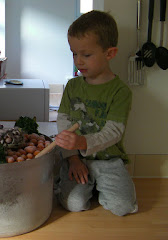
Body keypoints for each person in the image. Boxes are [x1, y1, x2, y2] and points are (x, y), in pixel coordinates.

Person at [53, 10, 138, 216]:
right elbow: (63, 123)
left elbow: (114, 132)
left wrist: (82, 142)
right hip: (78, 160)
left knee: (123, 207)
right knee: (73, 204)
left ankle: (98, 186)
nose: (78, 61)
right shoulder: (72, 87)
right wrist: (73, 158)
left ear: (109, 53)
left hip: (109, 160)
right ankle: (79, 184)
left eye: (86, 55)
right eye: (74, 53)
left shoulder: (120, 92)